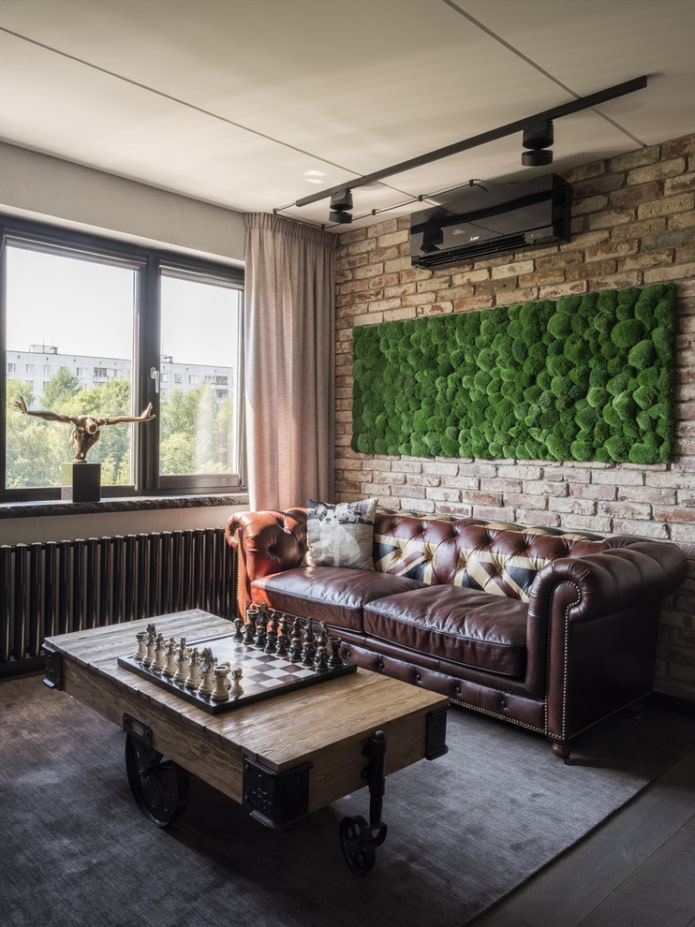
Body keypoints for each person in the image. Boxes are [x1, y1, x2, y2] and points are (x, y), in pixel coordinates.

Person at [14, 395, 156, 462]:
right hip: (75, 439)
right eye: (89, 430)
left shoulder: (99, 422)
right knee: (80, 433)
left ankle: (82, 454)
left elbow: (120, 420)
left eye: (91, 431)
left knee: (98, 434)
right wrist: (28, 412)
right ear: (87, 426)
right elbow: (52, 416)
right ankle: (79, 453)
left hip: (85, 443)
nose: (90, 432)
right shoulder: (77, 420)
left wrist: (140, 418)